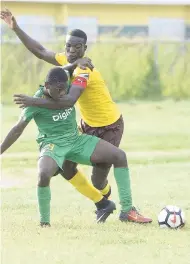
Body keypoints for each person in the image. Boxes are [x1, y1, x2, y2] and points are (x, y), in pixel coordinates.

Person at [1, 9, 152, 223]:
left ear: (85, 48)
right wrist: (15, 27)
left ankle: (112, 202)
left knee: (98, 180)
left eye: (77, 47)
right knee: (67, 167)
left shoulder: (84, 70)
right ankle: (104, 204)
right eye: (68, 46)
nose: (71, 51)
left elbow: (68, 100)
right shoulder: (69, 61)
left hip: (109, 125)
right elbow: (40, 51)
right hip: (87, 125)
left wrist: (32, 101)